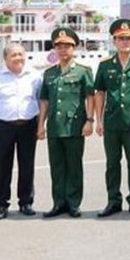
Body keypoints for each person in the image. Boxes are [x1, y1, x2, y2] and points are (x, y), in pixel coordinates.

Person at [94, 19, 130, 217]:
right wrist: (99, 121)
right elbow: (100, 93)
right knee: (112, 163)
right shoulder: (104, 65)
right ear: (114, 41)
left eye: (129, 38)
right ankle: (113, 201)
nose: (125, 41)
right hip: (111, 122)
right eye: (121, 38)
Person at [38, 27, 95, 218]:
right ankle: (58, 203)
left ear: (74, 48)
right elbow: (45, 101)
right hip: (55, 126)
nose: (63, 50)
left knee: (74, 166)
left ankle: (73, 203)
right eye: (59, 46)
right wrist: (40, 125)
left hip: (74, 126)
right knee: (57, 166)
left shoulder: (82, 71)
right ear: (54, 49)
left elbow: (90, 97)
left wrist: (89, 120)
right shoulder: (49, 74)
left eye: (67, 46)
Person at [0, 43, 42, 219]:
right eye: (13, 55)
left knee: (27, 165)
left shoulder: (35, 75)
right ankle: (1, 204)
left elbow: (41, 101)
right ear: (5, 59)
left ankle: (26, 202)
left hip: (28, 125)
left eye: (20, 54)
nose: (18, 58)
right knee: (2, 166)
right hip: (4, 126)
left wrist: (41, 126)